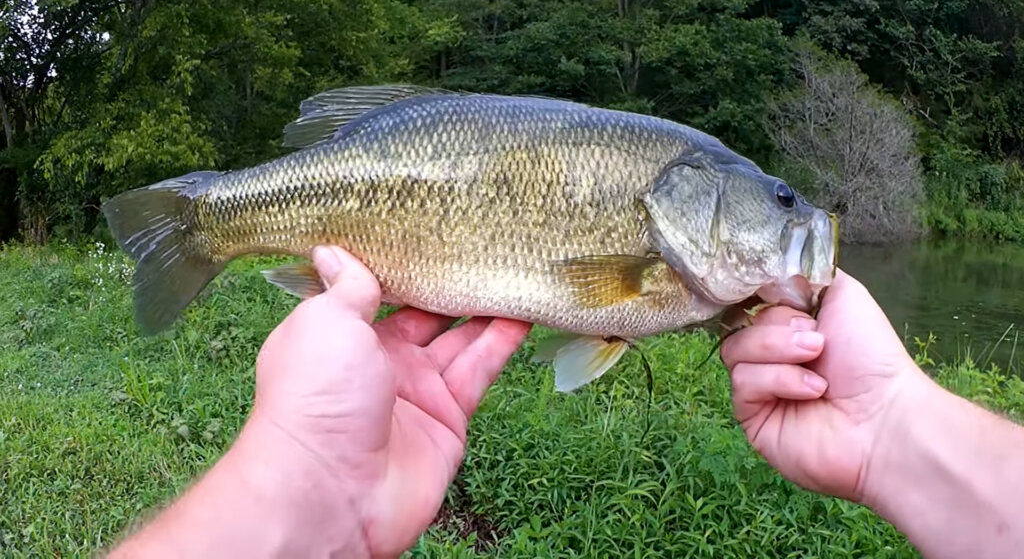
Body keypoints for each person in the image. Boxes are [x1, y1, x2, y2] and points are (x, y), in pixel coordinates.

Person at [109, 246, 1024, 558]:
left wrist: (893, 419)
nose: (797, 218)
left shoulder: (669, 272)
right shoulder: (654, 267)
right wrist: (307, 476)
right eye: (774, 201)